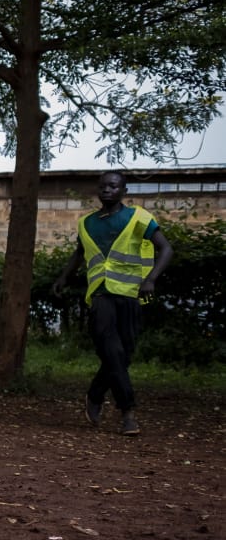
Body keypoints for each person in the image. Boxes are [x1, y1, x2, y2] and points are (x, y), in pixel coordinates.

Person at [53, 170, 173, 436]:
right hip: (100, 295)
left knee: (123, 354)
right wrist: (63, 277)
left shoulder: (138, 218)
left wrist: (151, 278)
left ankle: (96, 393)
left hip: (131, 295)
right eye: (103, 186)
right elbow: (80, 253)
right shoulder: (86, 223)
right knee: (112, 351)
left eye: (113, 186)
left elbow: (166, 249)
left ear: (124, 191)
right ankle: (128, 412)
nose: (107, 190)